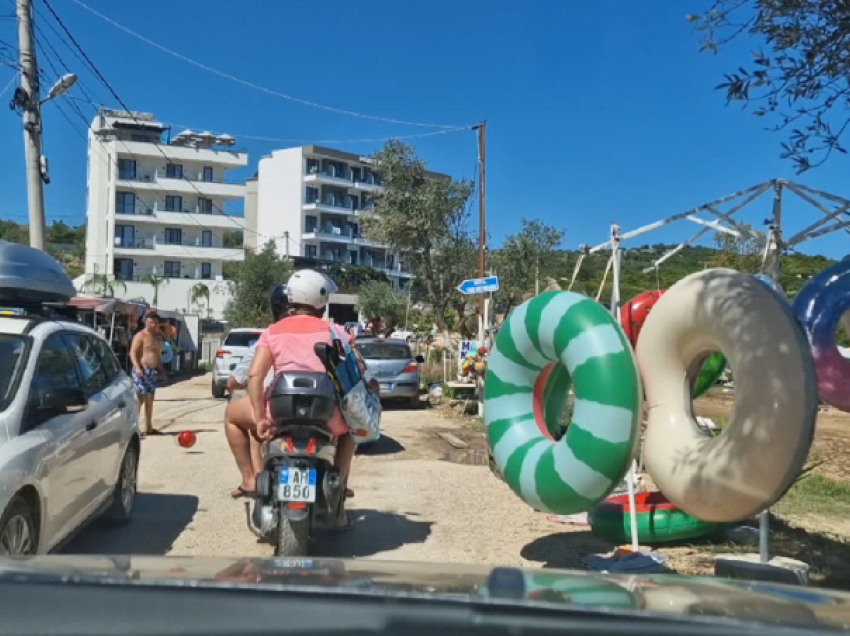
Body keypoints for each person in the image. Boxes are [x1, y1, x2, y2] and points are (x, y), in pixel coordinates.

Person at [248, 269, 364, 531]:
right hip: (327, 416)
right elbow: (358, 370)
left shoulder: (273, 331)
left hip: (280, 414)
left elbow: (255, 375)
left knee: (256, 433)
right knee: (349, 434)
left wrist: (260, 417)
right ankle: (340, 494)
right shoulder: (335, 332)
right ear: (321, 300)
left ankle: (257, 486)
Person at [223, 283, 287, 499]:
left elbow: (235, 382)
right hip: (316, 408)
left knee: (248, 424)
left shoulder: (267, 338)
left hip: (273, 407)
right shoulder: (324, 333)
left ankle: (251, 479)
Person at [130, 312, 166, 436]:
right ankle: (133, 427)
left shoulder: (158, 338)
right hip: (141, 370)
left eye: (156, 322)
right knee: (140, 399)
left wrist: (161, 370)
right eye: (151, 321)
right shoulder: (140, 336)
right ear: (146, 322)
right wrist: (137, 367)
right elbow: (133, 353)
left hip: (152, 372)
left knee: (150, 399)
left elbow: (158, 356)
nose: (154, 324)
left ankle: (149, 427)